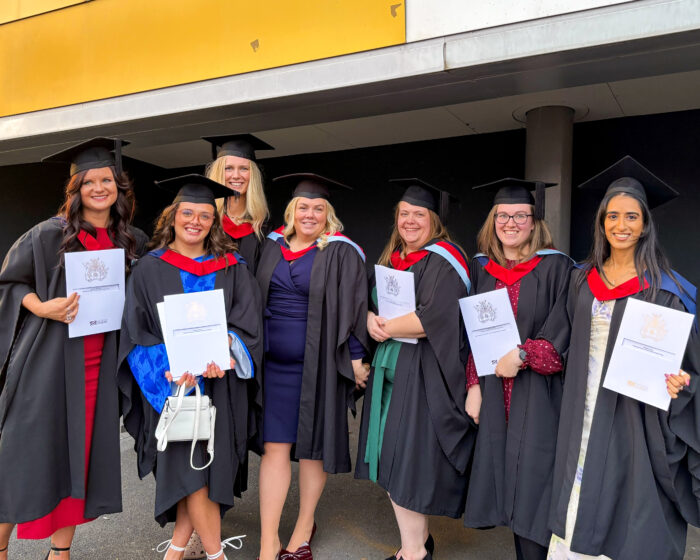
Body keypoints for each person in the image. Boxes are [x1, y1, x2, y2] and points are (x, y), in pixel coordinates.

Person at [0, 138, 148, 559]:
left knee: (77, 459)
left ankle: (60, 552)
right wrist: (42, 307)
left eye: (107, 180)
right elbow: (11, 284)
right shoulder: (48, 235)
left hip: (98, 367)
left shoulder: (131, 241)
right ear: (76, 189)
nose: (99, 188)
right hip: (48, 362)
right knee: (23, 456)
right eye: (89, 182)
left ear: (119, 187)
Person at [547, 156, 699, 560]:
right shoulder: (580, 278)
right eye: (612, 216)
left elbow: (688, 368)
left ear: (645, 224)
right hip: (582, 404)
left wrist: (681, 384)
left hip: (636, 417)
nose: (621, 225)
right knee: (577, 494)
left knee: (630, 505)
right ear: (601, 222)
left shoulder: (668, 290)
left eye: (631, 216)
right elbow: (559, 337)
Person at [117, 175, 263, 560]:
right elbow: (135, 330)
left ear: (213, 223)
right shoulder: (149, 268)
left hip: (220, 385)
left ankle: (176, 552)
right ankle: (216, 555)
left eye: (204, 215)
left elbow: (248, 324)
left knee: (204, 472)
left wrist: (228, 355)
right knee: (194, 474)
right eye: (187, 213)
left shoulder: (232, 266)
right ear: (173, 217)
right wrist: (167, 368)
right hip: (173, 388)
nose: (195, 221)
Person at [356, 178, 475, 560]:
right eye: (403, 214)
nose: (409, 221)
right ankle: (418, 545)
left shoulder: (445, 259)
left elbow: (433, 319)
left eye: (418, 215)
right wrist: (371, 318)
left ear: (434, 220)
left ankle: (413, 553)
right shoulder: (394, 256)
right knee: (392, 461)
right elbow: (377, 304)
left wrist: (383, 327)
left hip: (423, 374)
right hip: (391, 371)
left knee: (406, 464)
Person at [255, 173, 370, 560]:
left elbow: (354, 304)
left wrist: (355, 356)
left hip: (318, 367)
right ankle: (268, 541)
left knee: (311, 449)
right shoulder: (270, 246)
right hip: (273, 367)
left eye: (318, 208)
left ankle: (302, 531)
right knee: (274, 447)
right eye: (303, 207)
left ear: (328, 214)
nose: (310, 214)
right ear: (291, 211)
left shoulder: (339, 251)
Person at [462, 178, 573, 560]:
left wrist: (525, 355)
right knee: (508, 480)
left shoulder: (558, 268)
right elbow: (474, 332)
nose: (510, 223)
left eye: (520, 216)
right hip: (496, 394)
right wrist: (474, 384)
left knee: (535, 486)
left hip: (538, 395)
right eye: (502, 216)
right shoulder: (484, 268)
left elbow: (564, 333)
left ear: (534, 220)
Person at [203, 134, 272, 275]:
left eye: (244, 169)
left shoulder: (264, 226)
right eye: (228, 168)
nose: (236, 175)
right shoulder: (206, 221)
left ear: (252, 175)